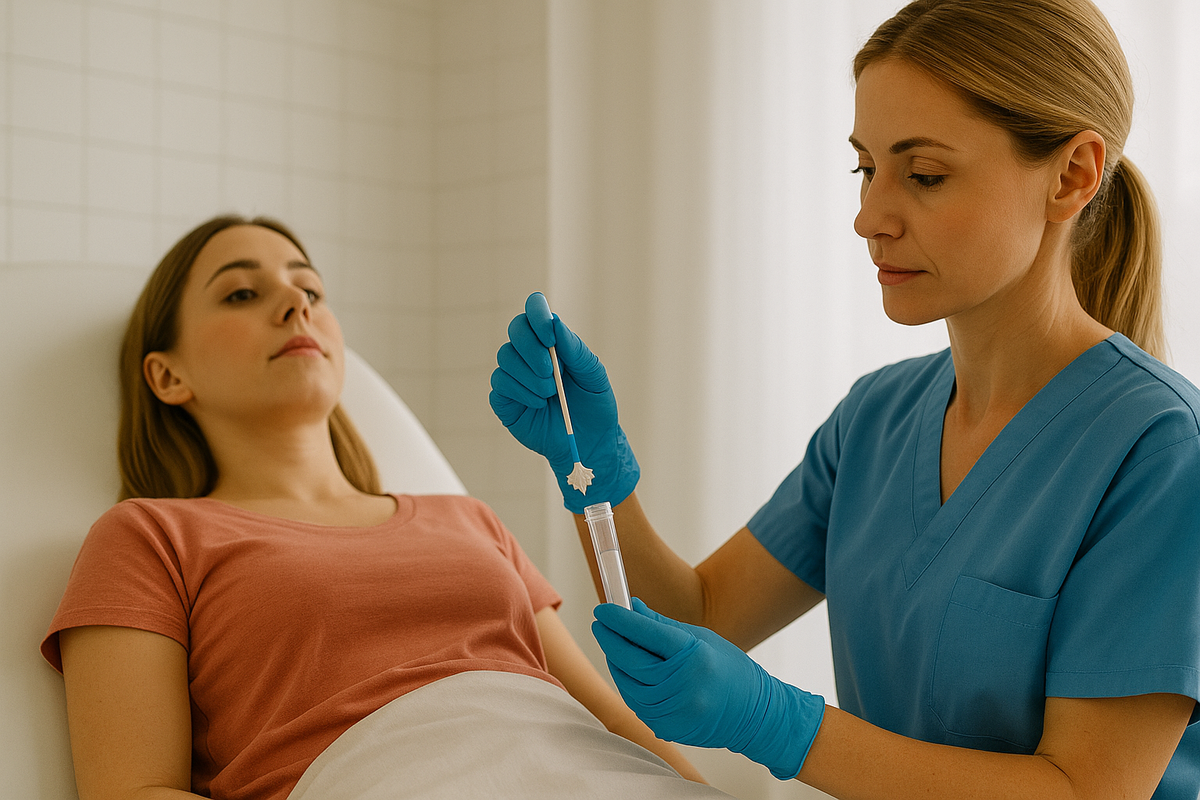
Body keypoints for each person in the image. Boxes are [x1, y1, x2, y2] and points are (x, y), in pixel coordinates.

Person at [488, 0, 1200, 798]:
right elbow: (699, 619)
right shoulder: (874, 421)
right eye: (866, 169)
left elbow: (1087, 790)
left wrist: (781, 724)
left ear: (1072, 176)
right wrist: (595, 476)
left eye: (924, 176)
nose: (868, 218)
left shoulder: (1159, 449)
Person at [40, 215, 722, 800]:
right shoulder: (151, 536)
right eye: (242, 293)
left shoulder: (469, 519)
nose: (295, 302)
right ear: (168, 374)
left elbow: (611, 720)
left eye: (311, 289)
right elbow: (134, 792)